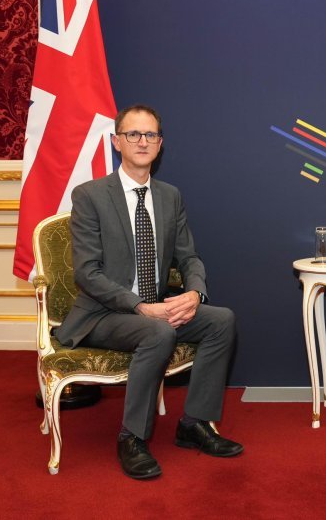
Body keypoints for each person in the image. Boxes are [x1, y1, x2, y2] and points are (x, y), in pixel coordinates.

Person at [55, 104, 243, 480]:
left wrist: (195, 293)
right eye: (133, 134)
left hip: (154, 308)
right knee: (158, 331)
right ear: (117, 142)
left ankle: (194, 424)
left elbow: (189, 257)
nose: (142, 141)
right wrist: (140, 305)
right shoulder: (90, 195)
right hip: (103, 314)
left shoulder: (170, 196)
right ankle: (133, 437)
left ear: (160, 144)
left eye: (151, 135)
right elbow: (88, 273)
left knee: (221, 320)